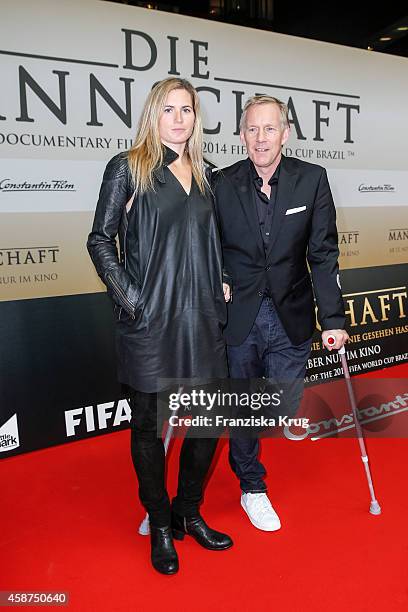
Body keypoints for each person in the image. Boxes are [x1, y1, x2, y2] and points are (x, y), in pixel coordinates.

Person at [87, 77, 232, 575]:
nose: (178, 118)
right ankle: (160, 524)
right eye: (168, 108)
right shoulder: (128, 169)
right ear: (153, 114)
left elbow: (219, 242)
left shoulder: (210, 175)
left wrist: (225, 281)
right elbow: (99, 240)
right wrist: (131, 298)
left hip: (203, 321)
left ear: (196, 117)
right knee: (148, 428)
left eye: (187, 109)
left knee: (210, 421)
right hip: (150, 322)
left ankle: (188, 510)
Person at [213, 95, 349, 532]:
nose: (260, 138)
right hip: (241, 313)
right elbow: (208, 246)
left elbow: (323, 253)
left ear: (285, 133)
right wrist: (219, 276)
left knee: (277, 405)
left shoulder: (311, 180)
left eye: (269, 129)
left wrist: (333, 319)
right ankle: (252, 485)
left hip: (291, 308)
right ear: (241, 134)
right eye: (252, 129)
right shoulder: (221, 183)